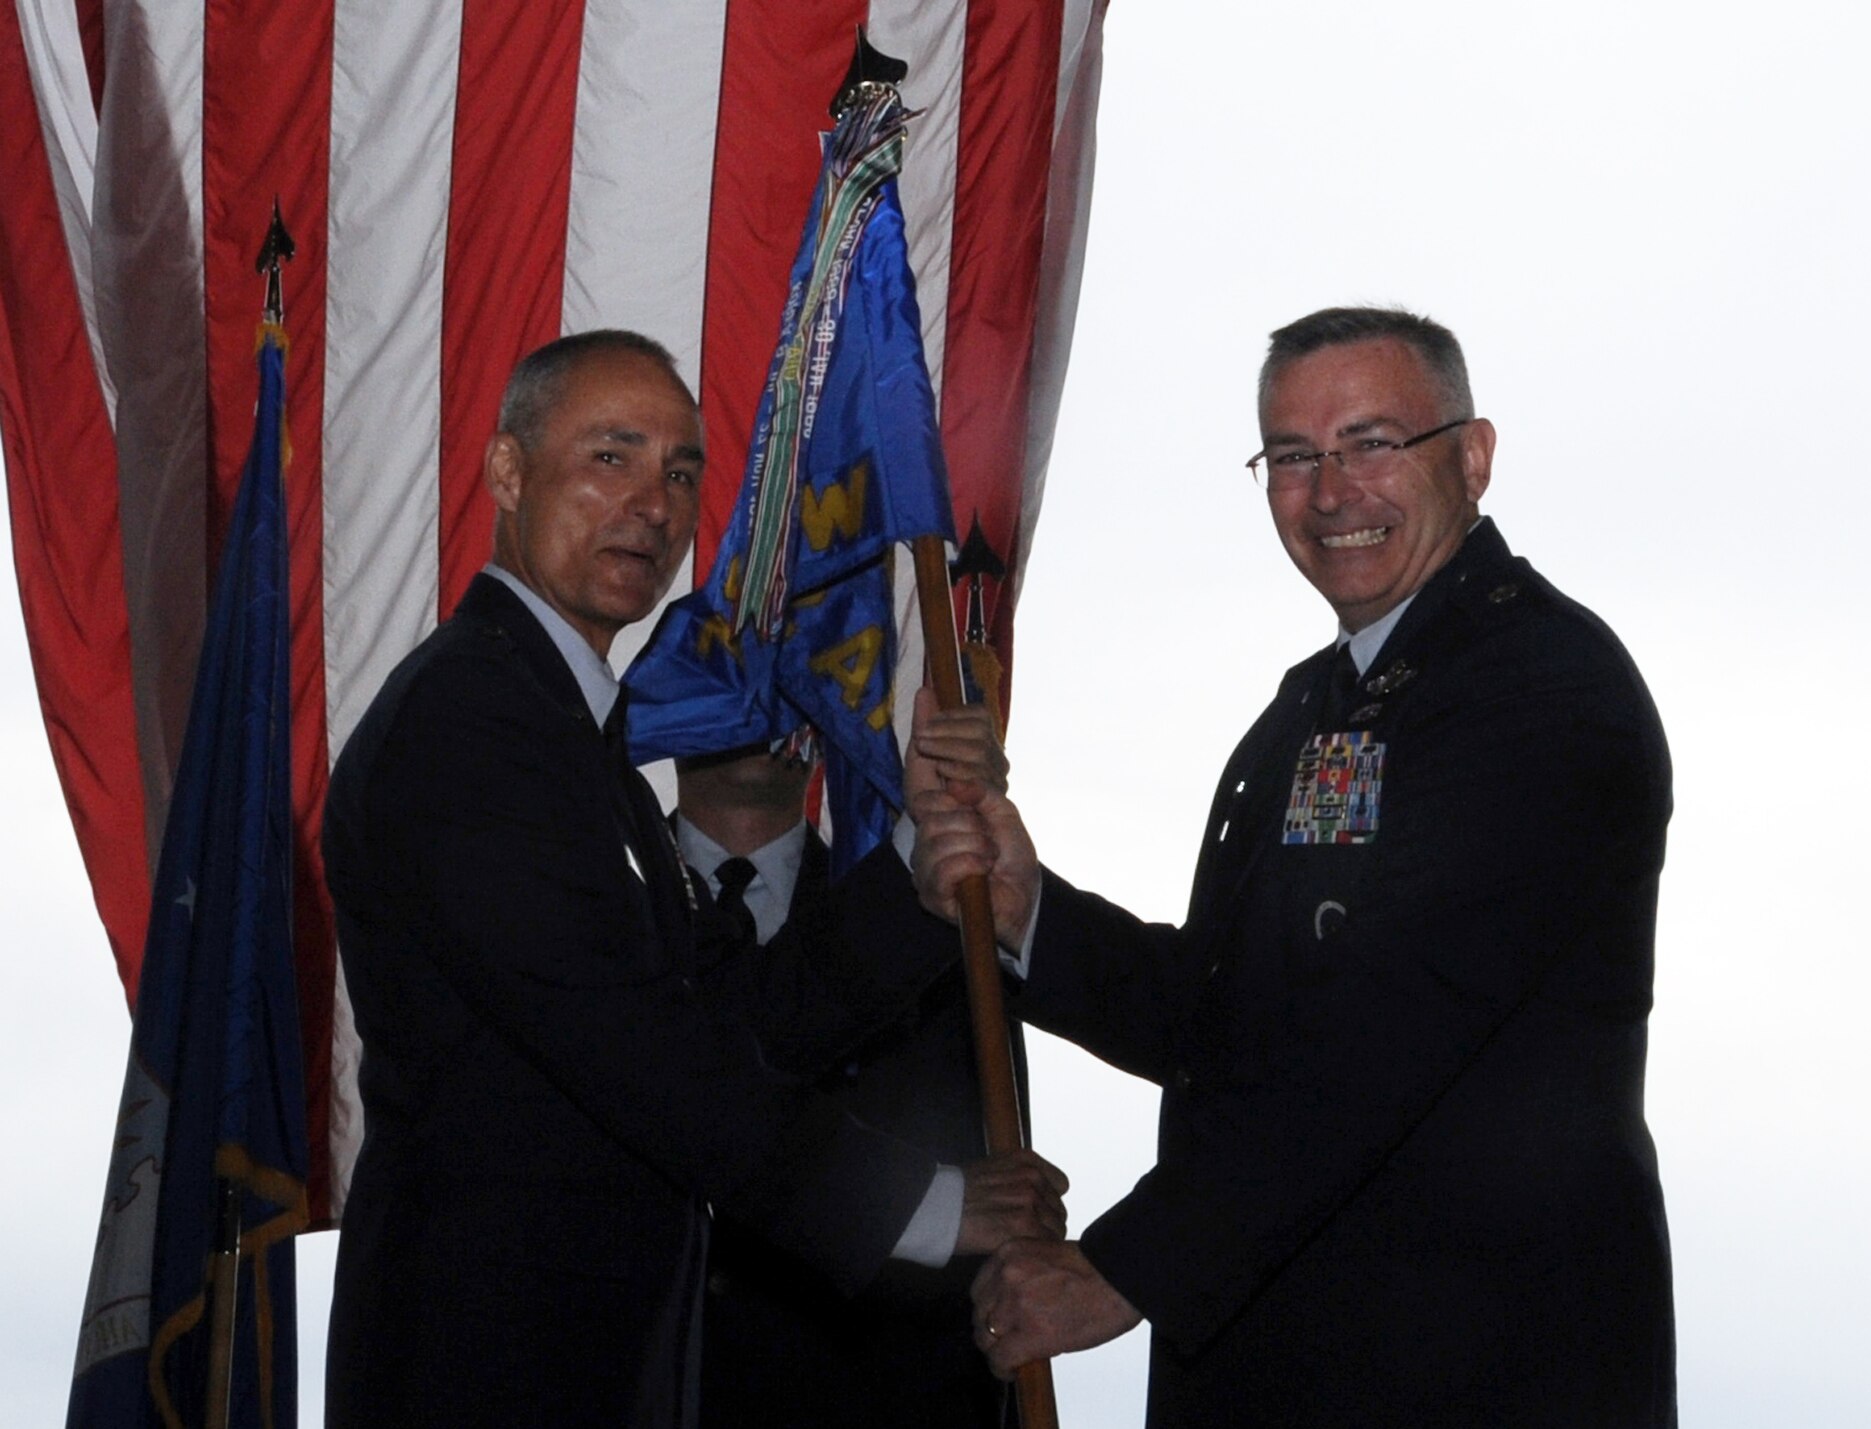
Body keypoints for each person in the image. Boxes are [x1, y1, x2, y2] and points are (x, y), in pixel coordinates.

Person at [913, 307, 1676, 1425]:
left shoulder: (1543, 690)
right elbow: (1233, 1018)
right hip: (1285, 1370)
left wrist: (1125, 1266)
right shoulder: (1312, 709)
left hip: (1474, 1375)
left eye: (1370, 442)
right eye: (1290, 456)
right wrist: (1034, 915)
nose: (1328, 493)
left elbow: (1389, 1028)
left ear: (1470, 457)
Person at [322, 330, 1064, 1428]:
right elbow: (644, 1058)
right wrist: (929, 1207)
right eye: (610, 457)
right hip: (492, 1371)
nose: (654, 504)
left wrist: (921, 857)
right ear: (509, 472)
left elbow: (727, 1014)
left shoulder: (577, 741)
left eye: (678, 471)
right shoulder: (473, 721)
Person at [672, 742, 1018, 1429]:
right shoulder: (580, 901)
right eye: (725, 647)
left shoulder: (948, 928)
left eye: (784, 652)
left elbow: (994, 1217)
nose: (757, 686)